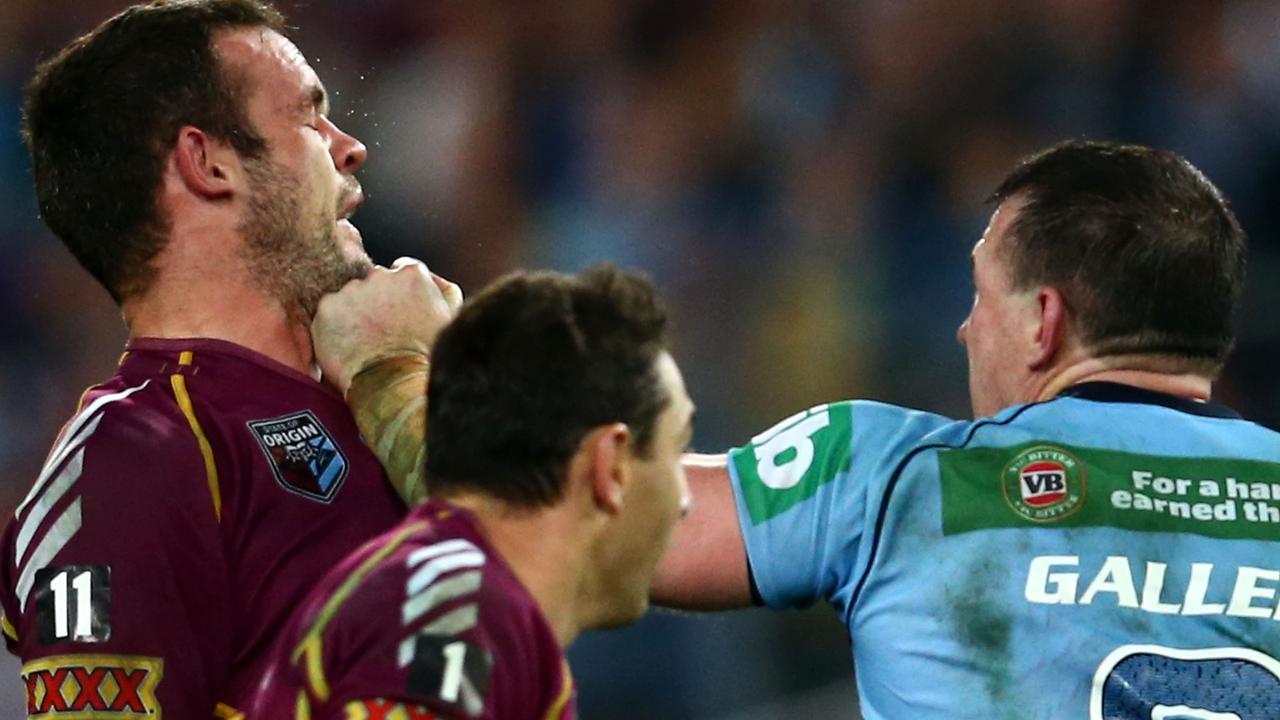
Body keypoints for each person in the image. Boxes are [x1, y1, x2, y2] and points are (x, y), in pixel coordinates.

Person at [316, 140, 1280, 718]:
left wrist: (397, 366)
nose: (960, 327)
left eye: (980, 293)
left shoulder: (895, 481)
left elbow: (574, 519)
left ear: (1045, 321)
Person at [0, 2, 458, 717]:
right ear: (207, 163)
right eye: (310, 116)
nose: (349, 147)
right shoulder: (128, 460)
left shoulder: (384, 397)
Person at [251, 265, 694, 719]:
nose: (685, 500)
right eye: (676, 448)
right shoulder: (458, 613)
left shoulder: (471, 606)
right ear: (611, 466)